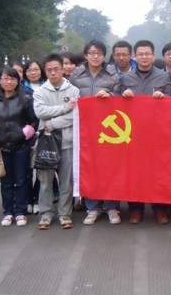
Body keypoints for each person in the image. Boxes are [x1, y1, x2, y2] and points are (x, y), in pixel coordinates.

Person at [69, 39, 122, 225]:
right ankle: (92, 208)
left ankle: (112, 207)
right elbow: (70, 98)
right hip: (85, 129)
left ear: (104, 56)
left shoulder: (113, 75)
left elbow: (120, 97)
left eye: (99, 53)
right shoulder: (76, 75)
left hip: (108, 129)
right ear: (86, 55)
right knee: (89, 167)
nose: (95, 56)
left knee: (110, 168)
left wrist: (110, 96)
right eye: (92, 53)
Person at [121, 40, 171, 224]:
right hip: (132, 132)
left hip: (157, 132)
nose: (144, 57)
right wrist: (124, 96)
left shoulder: (164, 77)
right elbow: (117, 104)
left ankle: (160, 208)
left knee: (158, 170)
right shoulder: (126, 78)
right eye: (140, 54)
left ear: (153, 55)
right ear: (135, 57)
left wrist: (164, 97)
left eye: (147, 53)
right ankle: (136, 208)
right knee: (135, 171)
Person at [0, 67, 38, 227]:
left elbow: (34, 120)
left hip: (22, 146)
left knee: (22, 180)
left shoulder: (26, 100)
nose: (9, 82)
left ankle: (20, 211)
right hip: (2, 147)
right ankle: (8, 212)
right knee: (6, 181)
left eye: (12, 79)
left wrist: (28, 131)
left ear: (17, 81)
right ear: (0, 81)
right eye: (5, 78)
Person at [33, 53, 80, 230]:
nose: (53, 73)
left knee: (66, 181)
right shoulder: (40, 91)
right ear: (45, 71)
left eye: (56, 69)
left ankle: (65, 213)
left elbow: (74, 116)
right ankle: (45, 213)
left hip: (67, 142)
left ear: (63, 69)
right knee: (45, 181)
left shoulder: (73, 90)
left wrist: (52, 123)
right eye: (49, 70)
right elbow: (40, 112)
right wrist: (64, 107)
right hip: (45, 142)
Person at [22, 59, 50, 214]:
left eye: (36, 69)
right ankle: (27, 200)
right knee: (26, 171)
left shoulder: (48, 86)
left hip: (45, 131)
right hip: (25, 134)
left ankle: (38, 199)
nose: (33, 73)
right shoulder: (20, 89)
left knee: (42, 169)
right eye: (29, 70)